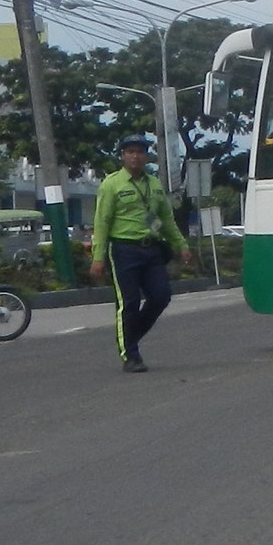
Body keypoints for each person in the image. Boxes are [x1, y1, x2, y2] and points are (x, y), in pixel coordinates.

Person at [91, 131, 189, 372]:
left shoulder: (154, 184)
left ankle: (130, 335)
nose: (135, 156)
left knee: (161, 296)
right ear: (123, 156)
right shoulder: (112, 184)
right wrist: (98, 257)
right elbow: (102, 222)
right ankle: (131, 356)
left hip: (152, 249)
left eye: (140, 152)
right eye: (130, 152)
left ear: (147, 157)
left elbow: (165, 219)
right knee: (129, 302)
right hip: (124, 249)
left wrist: (181, 245)